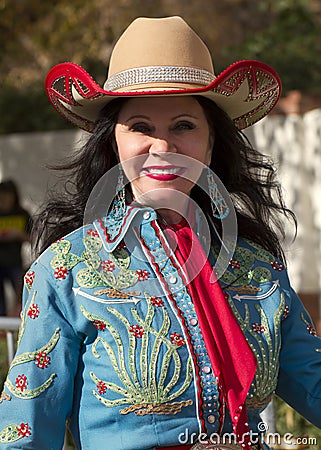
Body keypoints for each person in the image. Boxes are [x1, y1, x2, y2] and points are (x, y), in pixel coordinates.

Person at [0, 16, 320, 450]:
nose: (162, 147)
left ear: (210, 144)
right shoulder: (65, 271)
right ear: (113, 143)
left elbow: (311, 379)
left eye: (184, 126)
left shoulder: (257, 269)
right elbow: (26, 432)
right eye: (141, 127)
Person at [0, 180, 32, 316]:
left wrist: (19, 235)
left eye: (8, 196)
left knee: (22, 297)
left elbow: (34, 239)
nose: (5, 200)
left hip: (16, 263)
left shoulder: (23, 214)